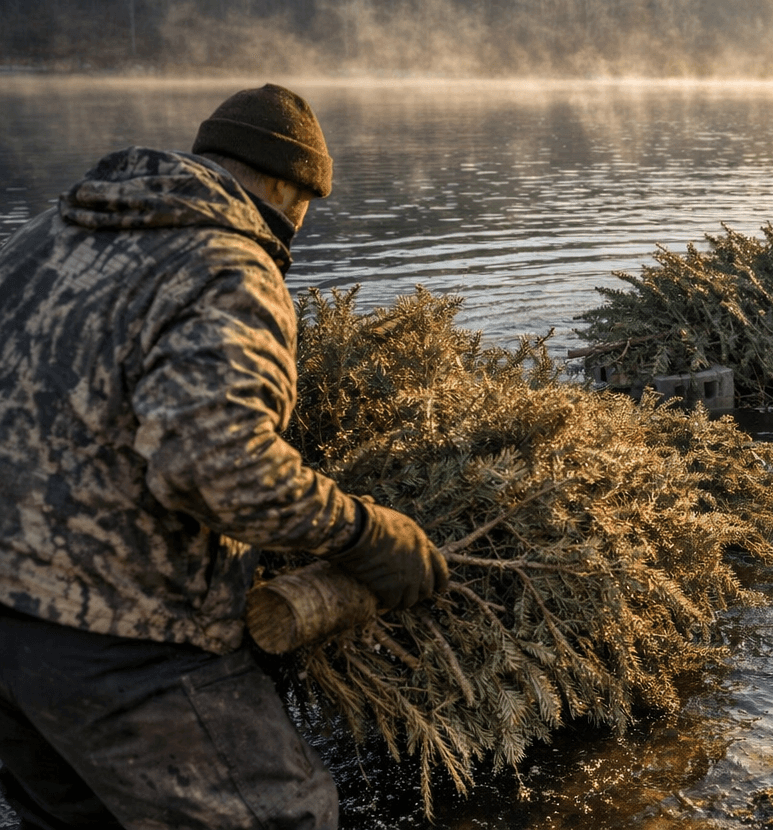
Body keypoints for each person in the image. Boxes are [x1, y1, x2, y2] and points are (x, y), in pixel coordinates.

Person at [0, 84, 449, 829]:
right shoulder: (231, 267)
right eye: (306, 203)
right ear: (282, 183)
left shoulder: (46, 235)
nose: (300, 225)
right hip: (121, 642)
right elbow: (218, 465)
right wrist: (367, 535)